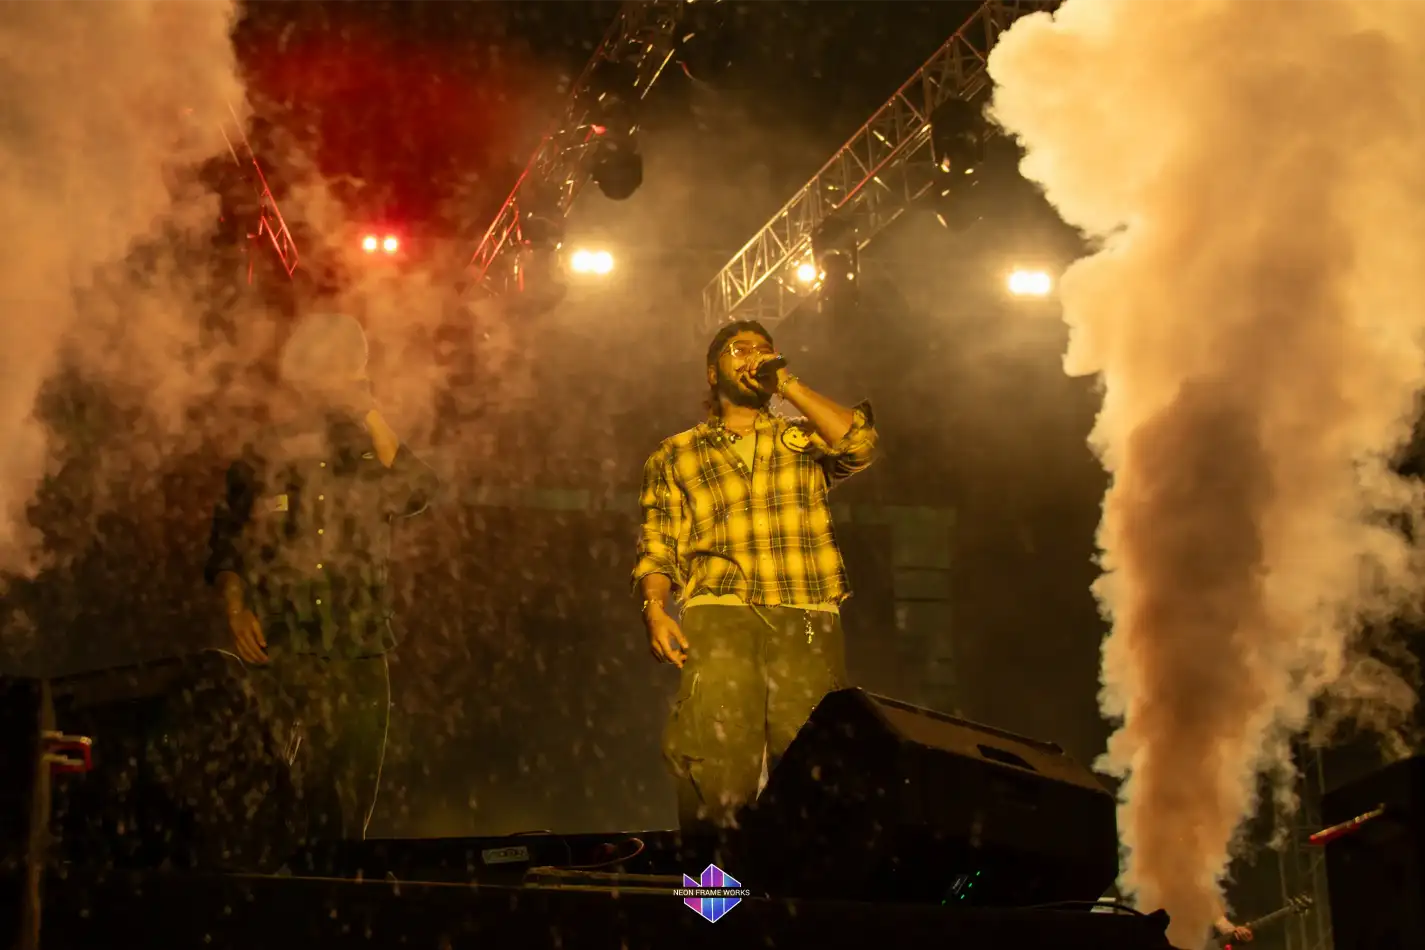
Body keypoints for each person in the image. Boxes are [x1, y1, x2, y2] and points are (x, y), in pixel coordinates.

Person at [633, 319, 878, 833]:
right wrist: (654, 608)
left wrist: (785, 382)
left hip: (805, 612)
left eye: (763, 349)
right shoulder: (676, 453)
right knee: (713, 762)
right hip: (720, 614)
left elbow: (859, 443)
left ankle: (804, 884)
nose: (753, 356)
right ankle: (712, 886)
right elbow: (658, 545)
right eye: (738, 349)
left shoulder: (803, 436)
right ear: (711, 372)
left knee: (813, 764)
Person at [204, 311, 437, 843]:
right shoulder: (265, 450)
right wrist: (236, 609)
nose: (341, 376)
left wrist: (370, 411)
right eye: (331, 364)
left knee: (350, 794)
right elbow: (226, 542)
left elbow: (418, 491)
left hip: (358, 646)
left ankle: (342, 876)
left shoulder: (368, 448)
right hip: (281, 648)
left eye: (350, 364)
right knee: (278, 787)